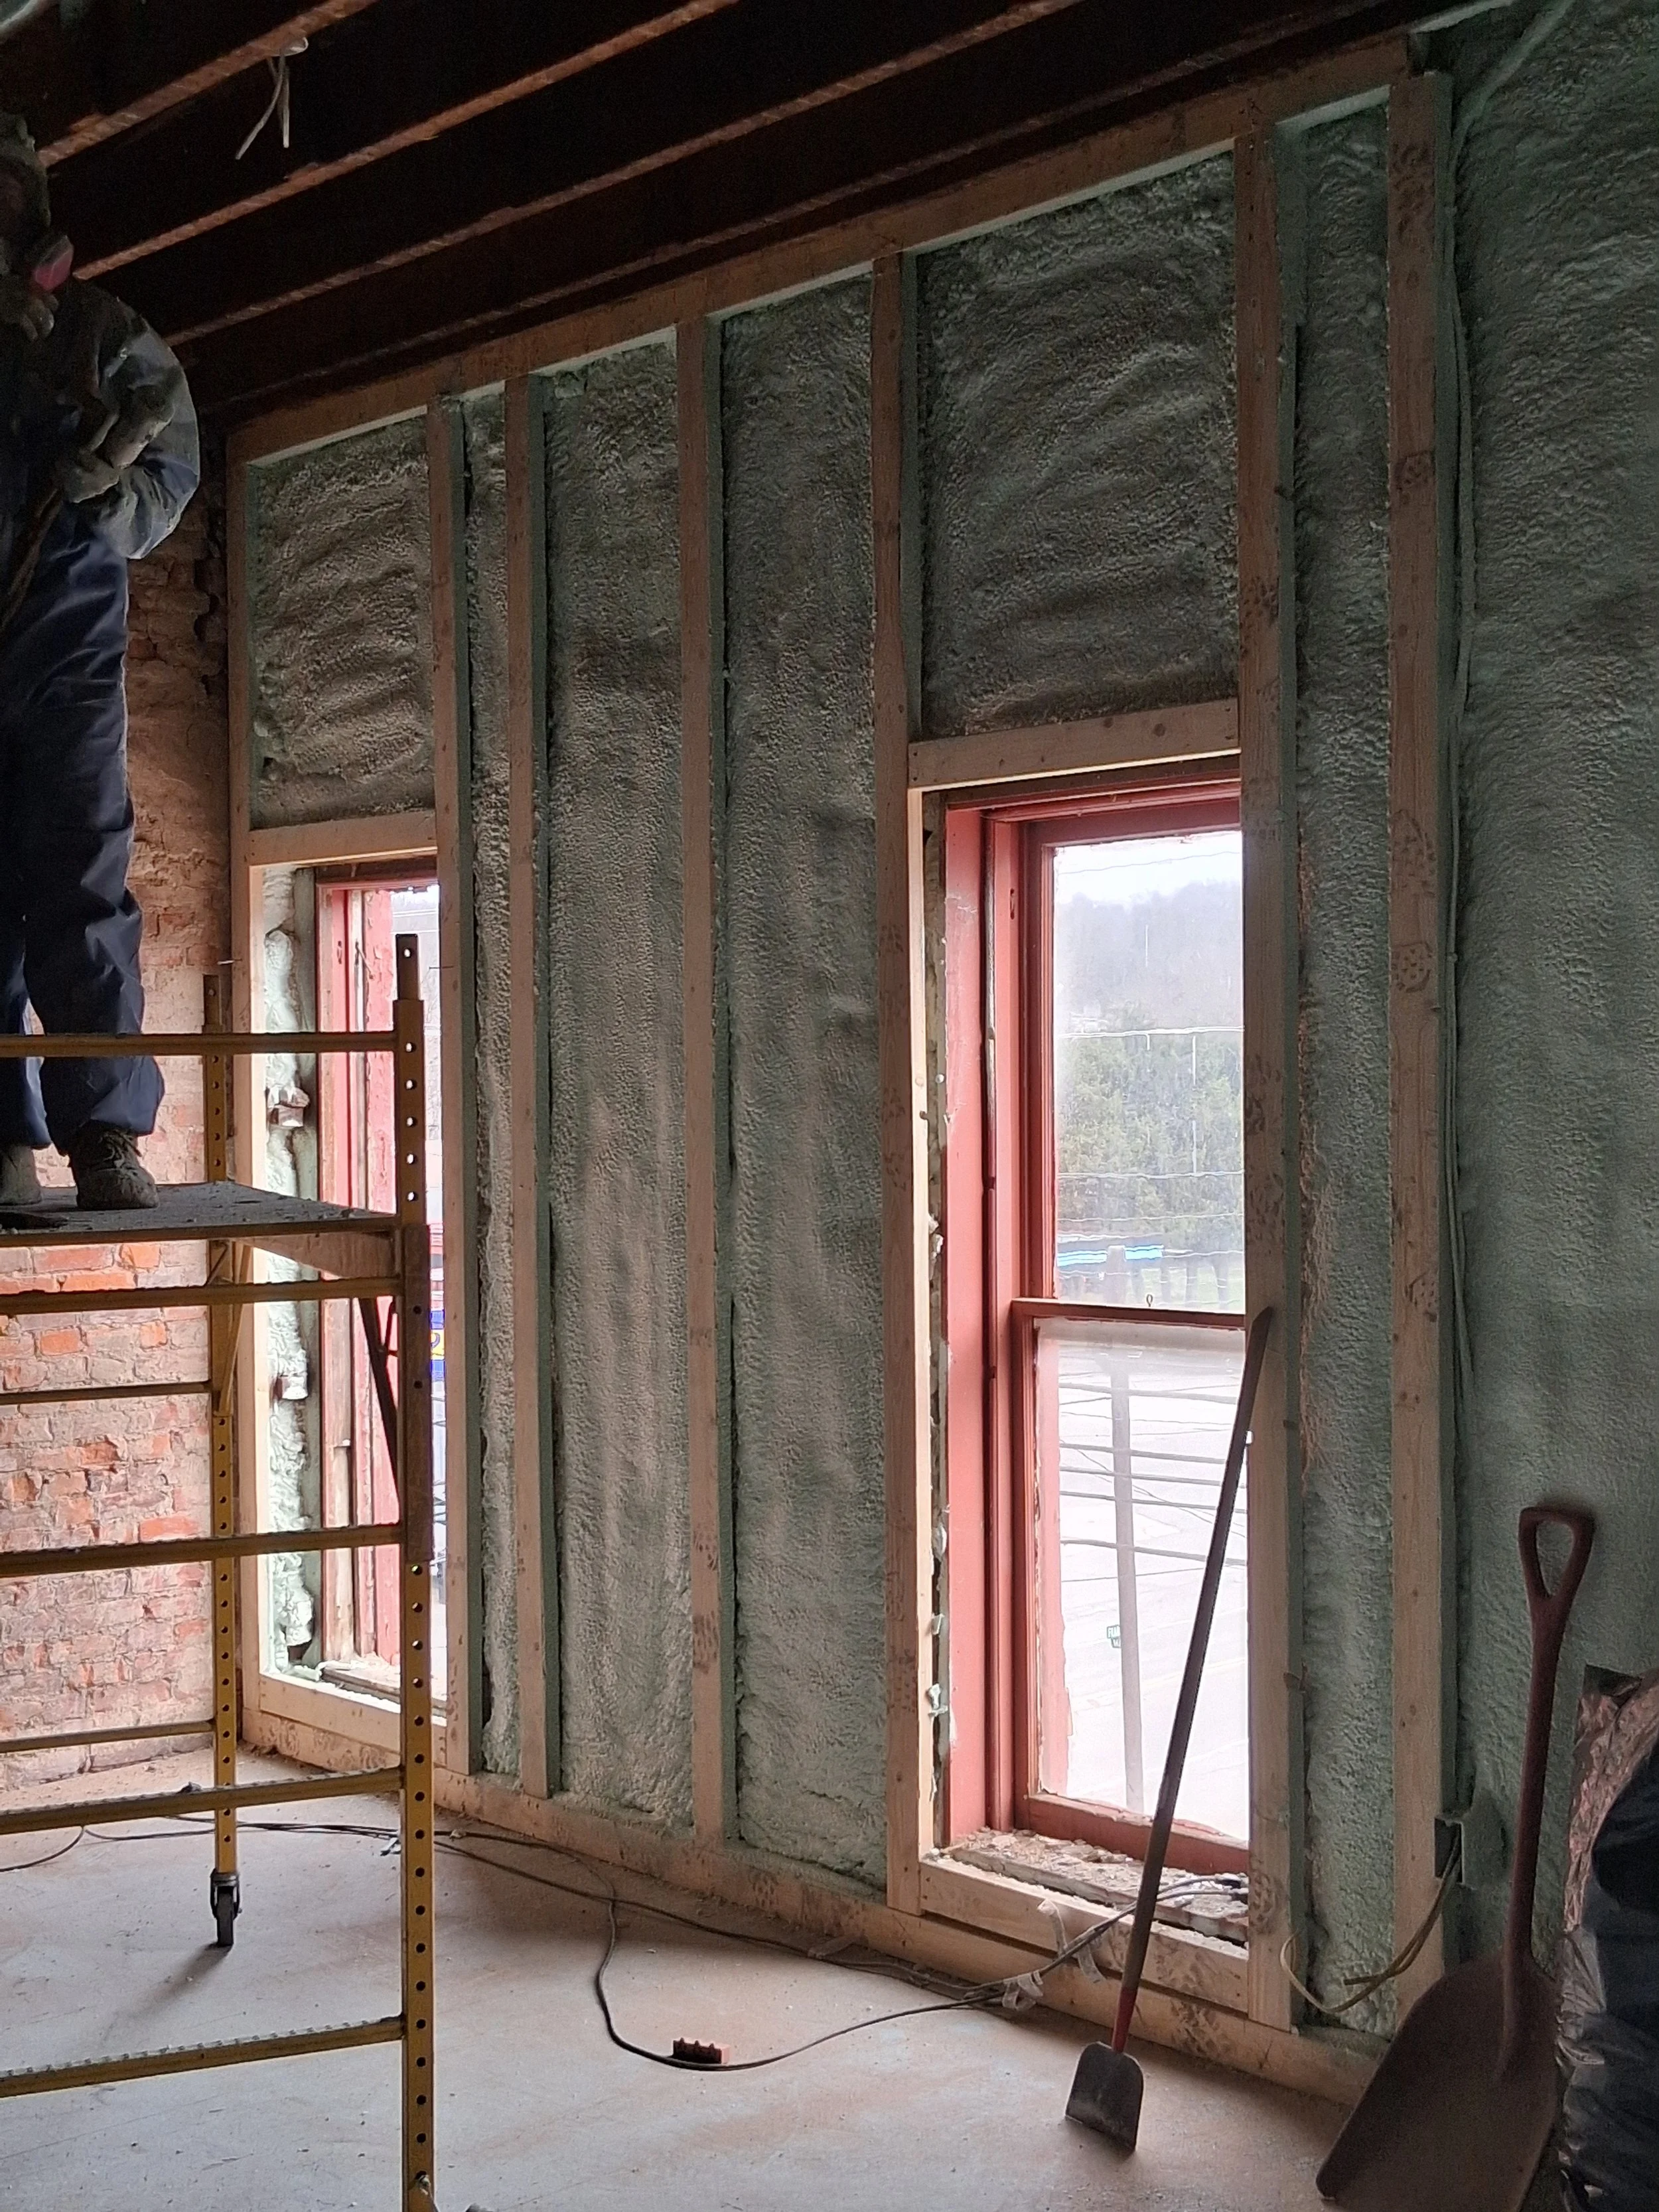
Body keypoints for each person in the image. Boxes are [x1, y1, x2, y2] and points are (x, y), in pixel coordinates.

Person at [0, 110, 199, 1211]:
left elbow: (169, 475)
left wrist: (107, 488)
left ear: (32, 203)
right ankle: (3, 1140)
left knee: (81, 876)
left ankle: (105, 1139)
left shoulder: (99, 334)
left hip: (66, 646)